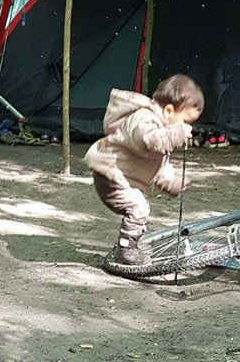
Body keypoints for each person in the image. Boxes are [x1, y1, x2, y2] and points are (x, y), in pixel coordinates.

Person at [84, 74, 204, 264]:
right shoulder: (144, 118)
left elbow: (157, 167)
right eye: (185, 121)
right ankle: (126, 250)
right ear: (169, 110)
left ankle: (129, 245)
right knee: (138, 207)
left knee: (140, 207)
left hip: (120, 177)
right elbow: (148, 141)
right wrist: (175, 134)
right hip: (110, 174)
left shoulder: (161, 127)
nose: (186, 127)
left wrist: (171, 183)